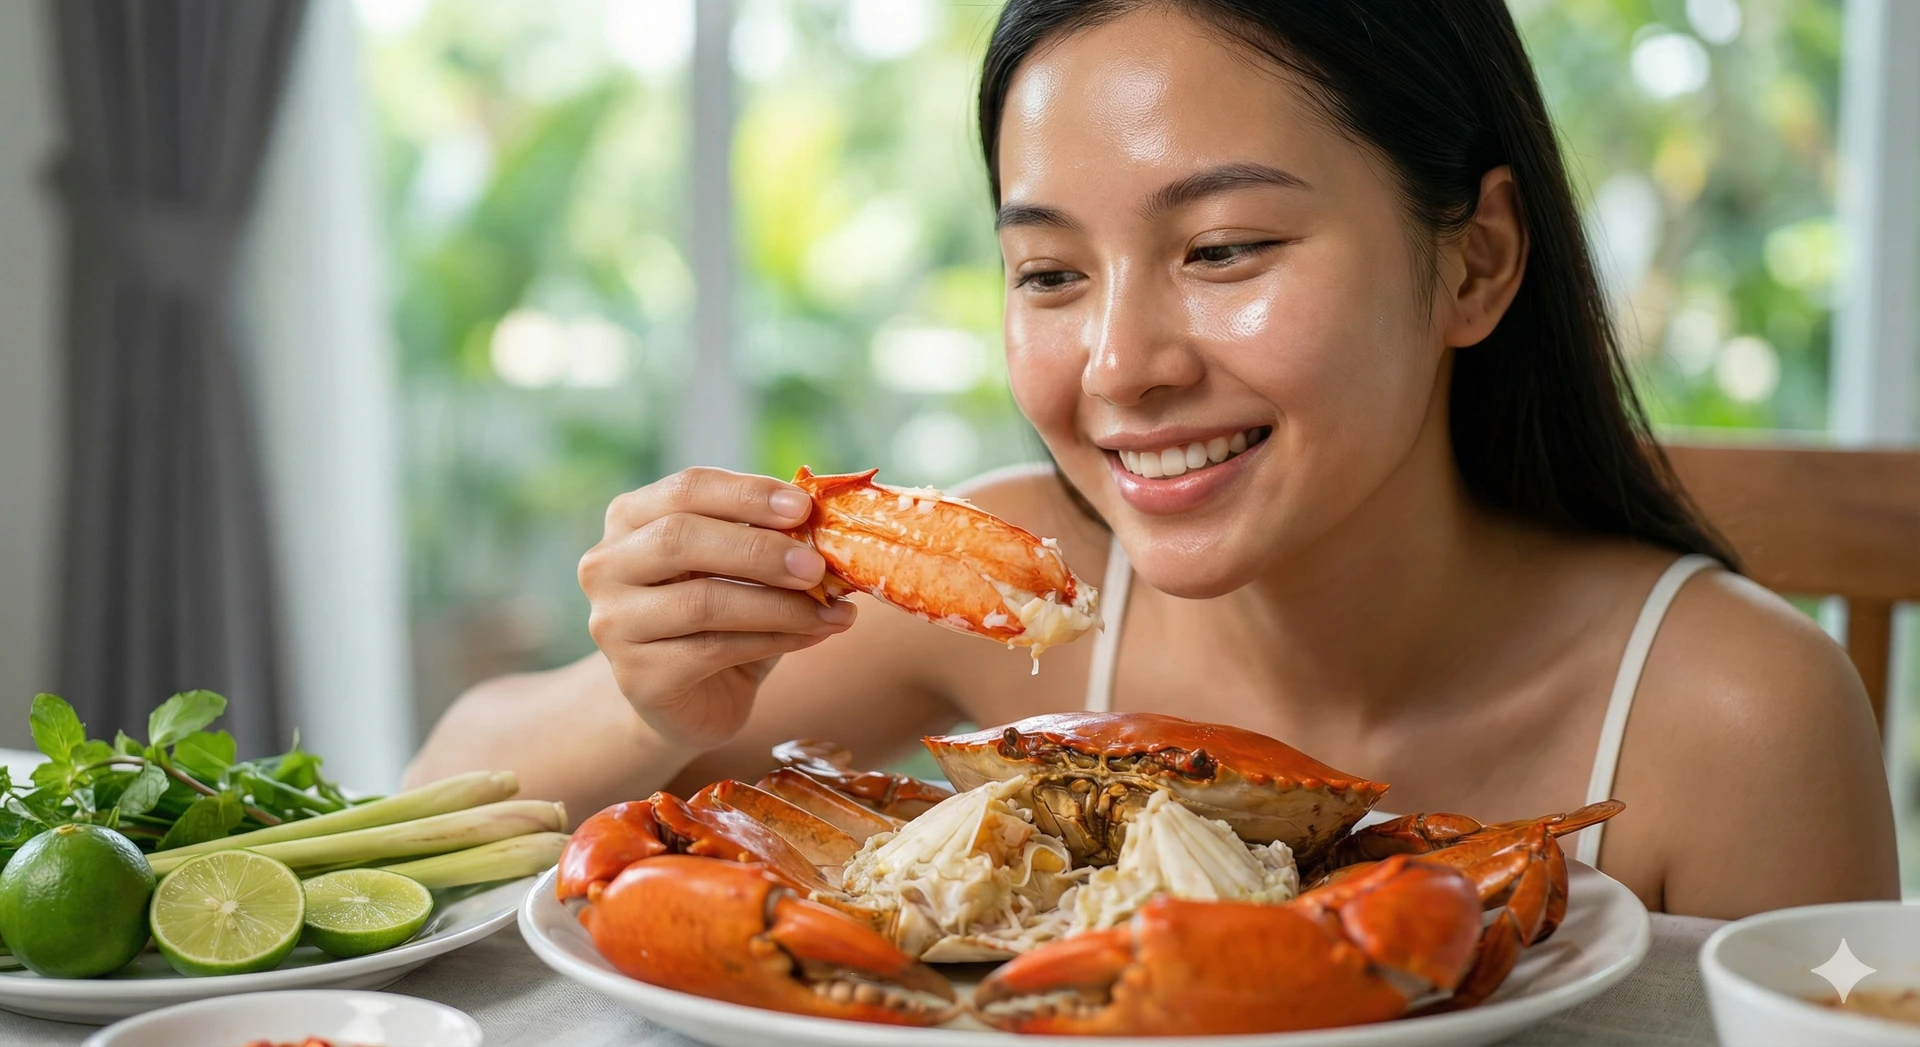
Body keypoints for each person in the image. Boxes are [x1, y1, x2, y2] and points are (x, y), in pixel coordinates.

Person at [406, 0, 1898, 919]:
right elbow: (431, 805)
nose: (1121, 366)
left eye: (1224, 247)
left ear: (1476, 260)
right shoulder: (1013, 615)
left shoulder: (1734, 717)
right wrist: (638, 694)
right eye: (1049, 273)